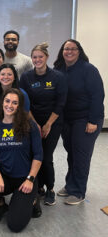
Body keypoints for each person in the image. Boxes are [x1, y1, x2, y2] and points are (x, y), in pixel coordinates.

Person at [0, 88, 43, 233]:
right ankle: (1, 205)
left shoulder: (29, 125)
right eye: (7, 101)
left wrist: (30, 179)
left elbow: (38, 155)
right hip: (5, 177)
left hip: (25, 179)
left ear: (19, 106)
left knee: (15, 225)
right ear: (2, 103)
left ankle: (32, 200)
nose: (10, 105)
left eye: (15, 103)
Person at [53, 39, 104, 205]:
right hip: (67, 119)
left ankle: (78, 192)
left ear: (79, 51)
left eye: (73, 49)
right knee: (72, 153)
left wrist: (93, 120)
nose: (69, 51)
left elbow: (98, 96)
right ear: (62, 51)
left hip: (86, 118)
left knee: (81, 156)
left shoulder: (88, 70)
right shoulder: (59, 69)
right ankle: (70, 185)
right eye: (66, 49)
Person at [20, 42, 68, 206]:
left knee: (46, 157)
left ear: (47, 57)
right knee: (34, 156)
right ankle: (38, 186)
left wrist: (47, 125)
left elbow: (60, 103)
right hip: (32, 121)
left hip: (53, 122)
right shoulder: (26, 77)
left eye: (40, 57)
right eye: (34, 57)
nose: (37, 59)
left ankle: (50, 188)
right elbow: (25, 102)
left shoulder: (58, 77)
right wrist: (35, 124)